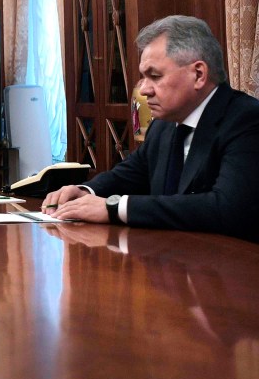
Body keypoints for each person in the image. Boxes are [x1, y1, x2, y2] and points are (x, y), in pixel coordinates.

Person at [43, 15, 259, 242]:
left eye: (154, 76)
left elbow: (227, 208)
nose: (144, 90)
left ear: (198, 74)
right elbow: (130, 174)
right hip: (170, 255)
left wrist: (115, 207)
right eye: (143, 77)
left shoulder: (246, 120)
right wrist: (85, 191)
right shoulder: (163, 125)